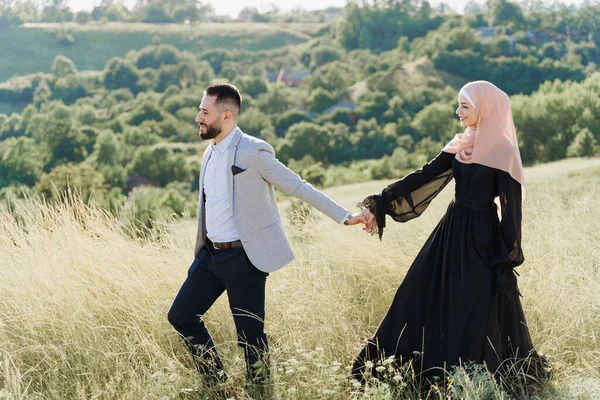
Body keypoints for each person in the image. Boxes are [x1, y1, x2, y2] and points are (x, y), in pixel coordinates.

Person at [352, 81, 550, 393]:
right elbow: (425, 175)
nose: (457, 111)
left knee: (473, 308)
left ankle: (472, 382)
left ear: (484, 109)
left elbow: (512, 211)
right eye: (458, 105)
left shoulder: (502, 151)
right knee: (413, 293)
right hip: (451, 233)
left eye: (465, 106)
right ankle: (405, 372)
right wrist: (380, 201)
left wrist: (506, 256)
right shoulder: (461, 144)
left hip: (483, 240)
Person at [167, 83, 365, 396]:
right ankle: (217, 385)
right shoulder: (209, 152)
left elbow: (297, 186)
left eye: (204, 112)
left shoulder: (252, 151)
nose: (198, 118)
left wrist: (344, 216)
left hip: (244, 259)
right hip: (210, 256)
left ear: (227, 115)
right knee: (180, 315)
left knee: (250, 336)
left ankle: (260, 394)